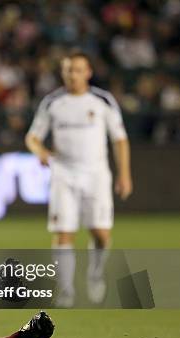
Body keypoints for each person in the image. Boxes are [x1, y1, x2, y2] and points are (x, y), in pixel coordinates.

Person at [25, 51, 133, 307]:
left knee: (101, 233)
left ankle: (95, 274)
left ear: (88, 72)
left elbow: (119, 139)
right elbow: (32, 136)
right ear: (63, 73)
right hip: (63, 173)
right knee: (64, 233)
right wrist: (40, 151)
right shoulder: (52, 102)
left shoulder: (102, 100)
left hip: (96, 174)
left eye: (77, 70)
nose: (72, 74)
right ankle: (65, 289)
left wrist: (124, 174)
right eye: (68, 70)